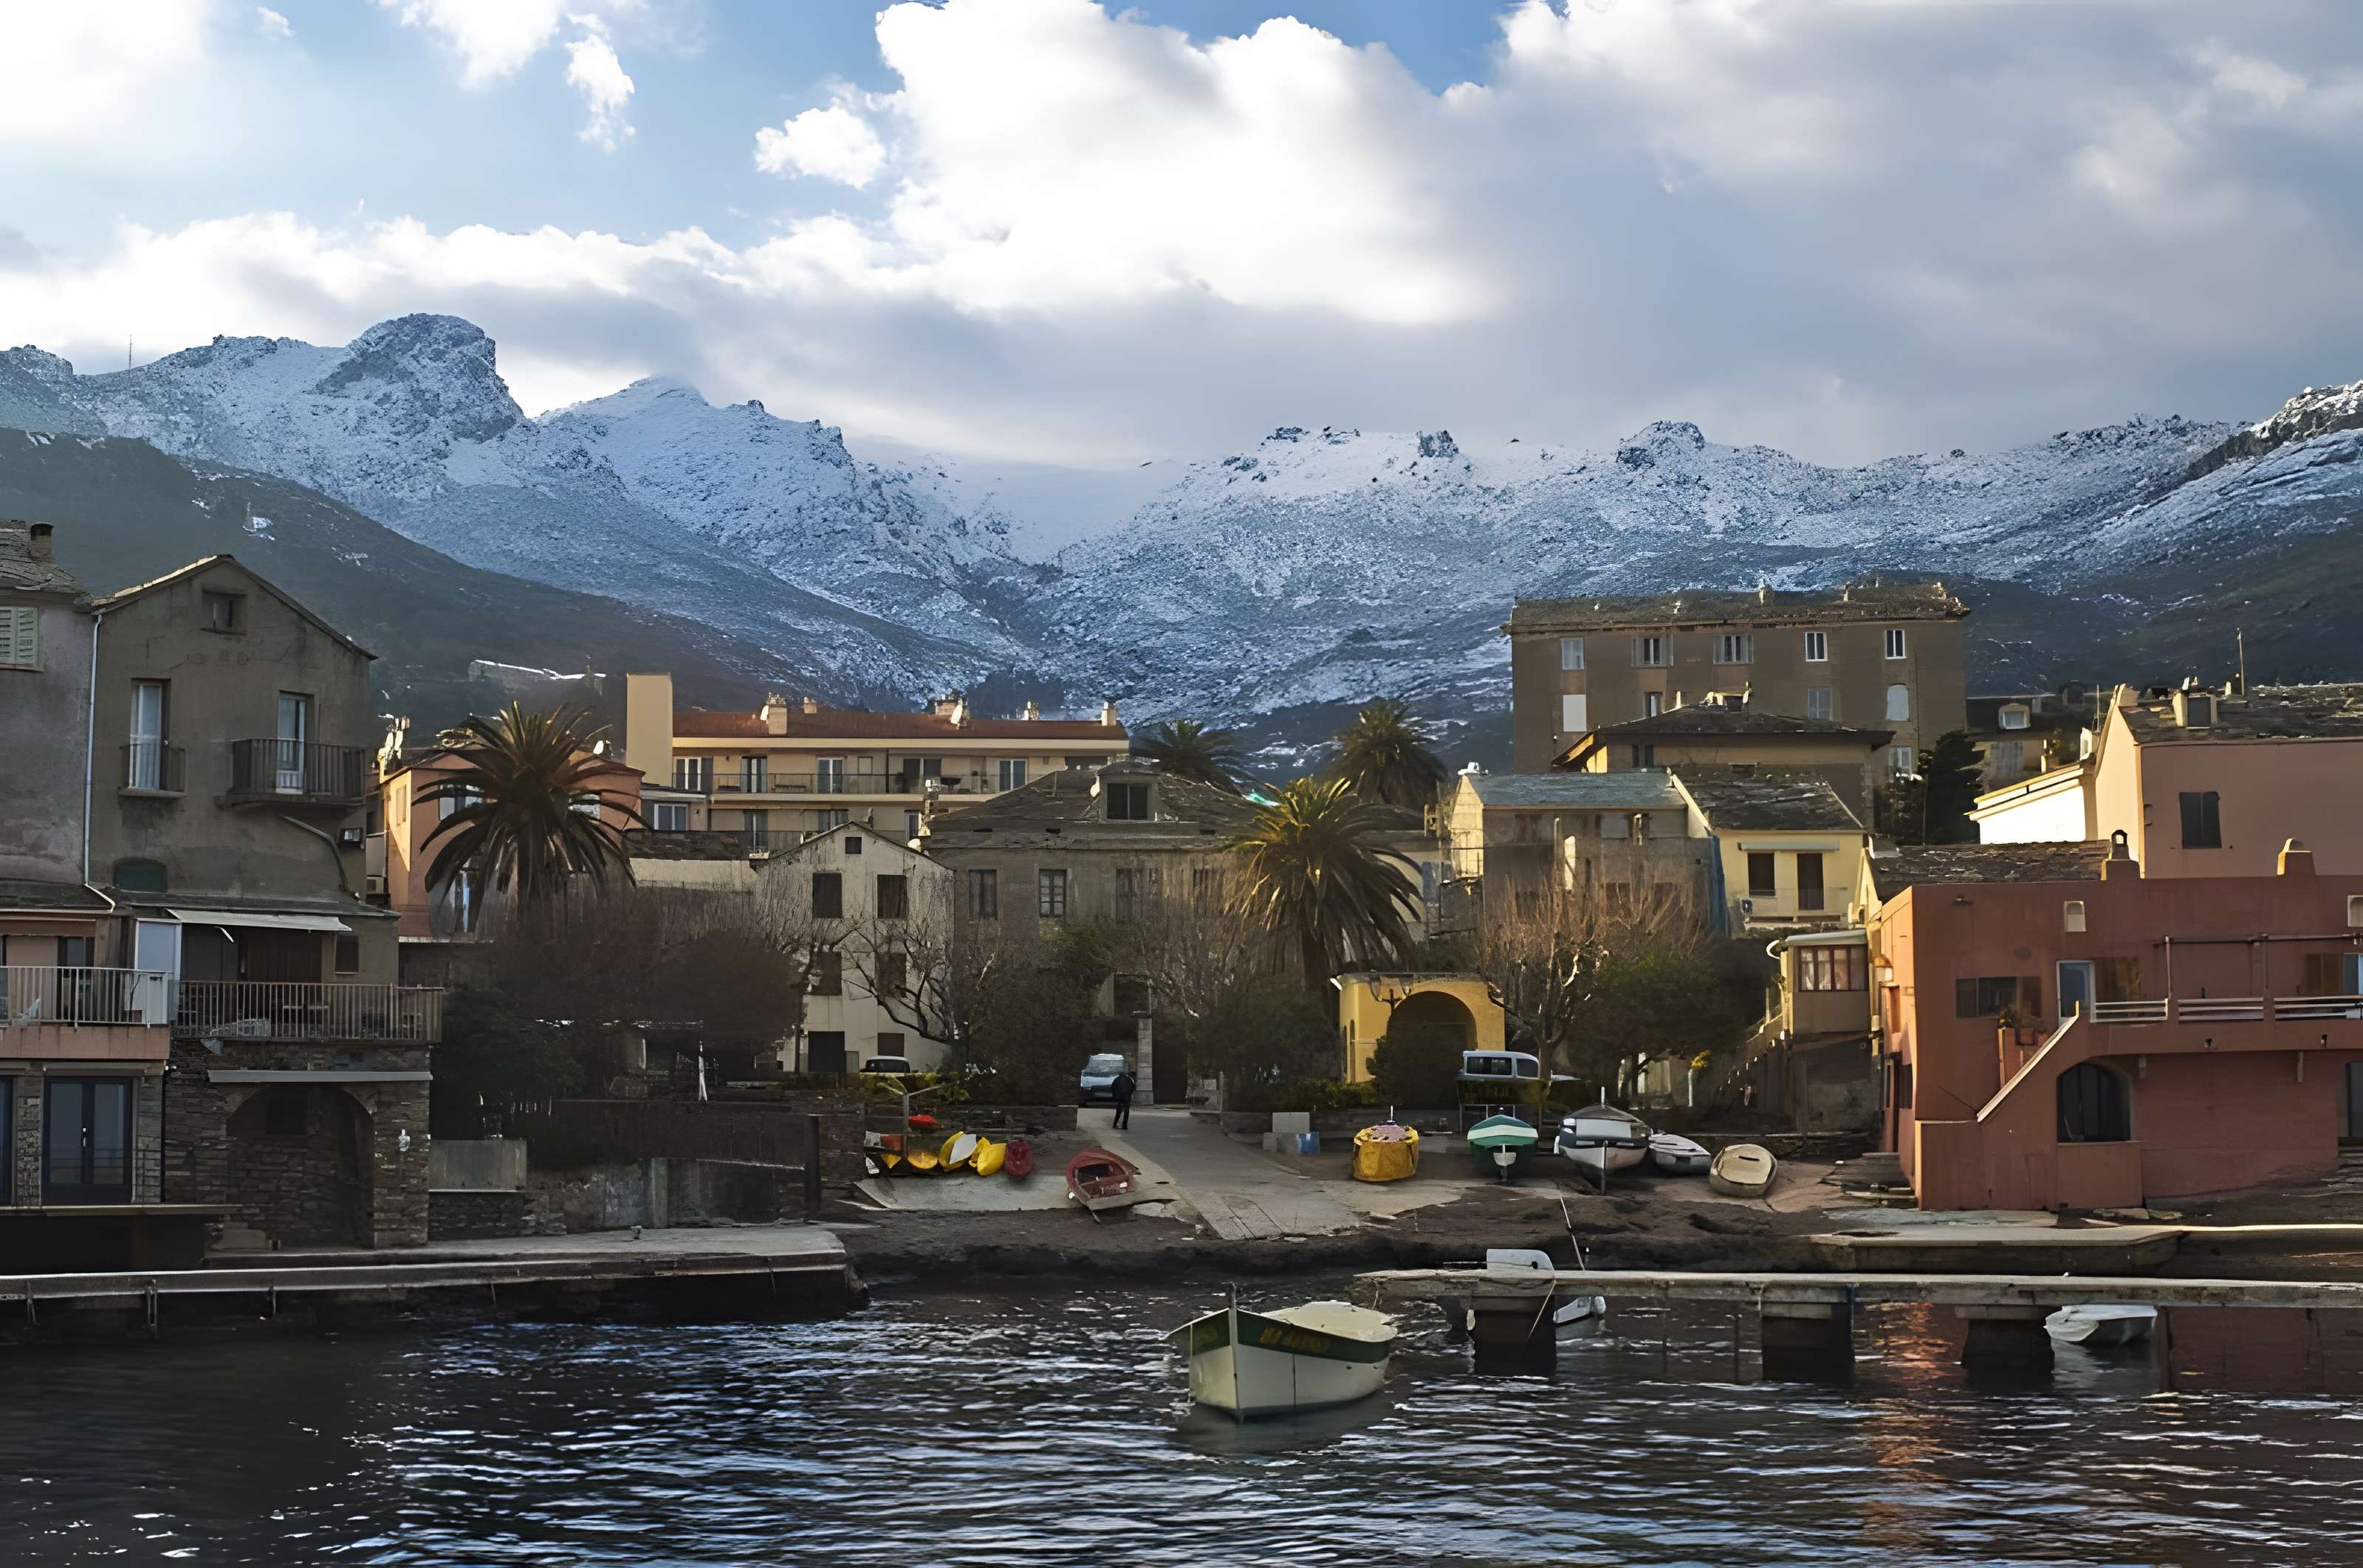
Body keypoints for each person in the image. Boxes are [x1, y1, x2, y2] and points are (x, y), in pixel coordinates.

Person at [1110, 1065, 1137, 1130]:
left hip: (1120, 1098)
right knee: (1126, 1111)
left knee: (1118, 1111)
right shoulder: (1129, 1080)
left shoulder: (1116, 1079)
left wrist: (1115, 1096)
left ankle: (1115, 1124)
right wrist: (1130, 1095)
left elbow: (1113, 1088)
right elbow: (1133, 1088)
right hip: (1127, 1097)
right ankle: (1124, 1126)